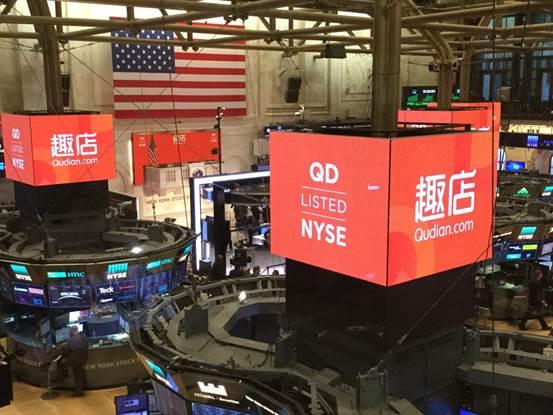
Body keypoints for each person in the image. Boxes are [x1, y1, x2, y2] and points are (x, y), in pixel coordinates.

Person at [62, 326, 88, 396]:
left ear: (71, 331)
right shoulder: (83, 336)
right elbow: (86, 344)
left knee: (77, 374)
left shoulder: (70, 340)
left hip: (75, 361)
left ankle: (78, 392)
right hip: (83, 358)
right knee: (79, 373)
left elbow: (65, 352)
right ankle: (81, 387)